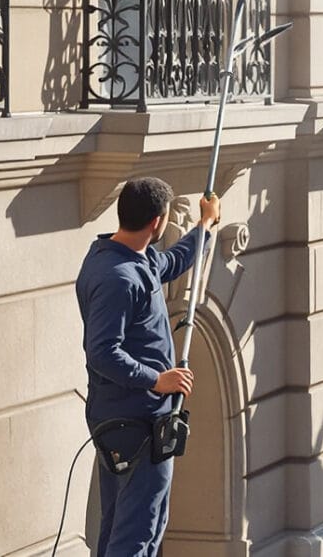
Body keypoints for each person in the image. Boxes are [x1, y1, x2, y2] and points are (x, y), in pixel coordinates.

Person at [76, 175, 219, 557]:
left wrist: (204, 227)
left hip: (128, 416)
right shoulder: (118, 277)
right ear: (157, 222)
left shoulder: (131, 259)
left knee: (121, 524)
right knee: (141, 528)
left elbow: (171, 263)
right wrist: (159, 380)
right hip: (135, 420)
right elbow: (103, 352)